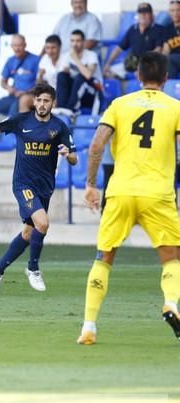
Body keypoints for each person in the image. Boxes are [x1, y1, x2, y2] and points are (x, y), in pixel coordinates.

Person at [77, 52, 180, 345]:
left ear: (138, 77)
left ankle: (89, 327)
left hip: (120, 190)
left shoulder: (119, 104)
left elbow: (96, 145)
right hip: (157, 193)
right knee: (171, 257)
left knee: (104, 257)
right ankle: (171, 303)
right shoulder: (175, 107)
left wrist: (90, 185)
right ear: (165, 79)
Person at [0, 83, 78, 295]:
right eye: (39, 100)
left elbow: (74, 158)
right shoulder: (21, 120)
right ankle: (33, 268)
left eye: (47, 101)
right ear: (34, 101)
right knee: (42, 224)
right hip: (23, 184)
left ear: (53, 103)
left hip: (45, 187)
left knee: (28, 233)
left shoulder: (60, 127)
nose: (42, 104)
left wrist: (66, 154)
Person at [104, 3, 165, 78]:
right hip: (133, 63)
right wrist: (108, 64)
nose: (143, 15)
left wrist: (143, 65)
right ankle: (124, 84)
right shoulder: (133, 29)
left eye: (146, 13)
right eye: (140, 13)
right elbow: (119, 49)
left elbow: (158, 50)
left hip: (150, 64)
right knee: (107, 72)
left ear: (151, 15)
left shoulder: (158, 29)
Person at [55, 29, 102, 113]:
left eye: (78, 41)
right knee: (61, 75)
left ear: (83, 42)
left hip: (92, 91)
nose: (75, 44)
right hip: (75, 91)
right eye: (72, 41)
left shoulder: (91, 55)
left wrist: (76, 59)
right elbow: (62, 76)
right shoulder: (66, 55)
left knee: (80, 77)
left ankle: (70, 109)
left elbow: (88, 75)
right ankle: (61, 109)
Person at [163, 0, 180, 78]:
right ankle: (170, 87)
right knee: (168, 59)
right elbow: (165, 50)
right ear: (169, 12)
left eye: (178, 10)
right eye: (172, 10)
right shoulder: (167, 30)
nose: (175, 13)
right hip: (174, 61)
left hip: (174, 59)